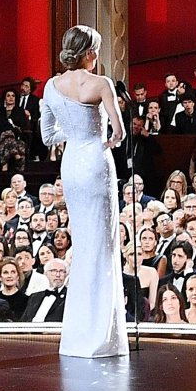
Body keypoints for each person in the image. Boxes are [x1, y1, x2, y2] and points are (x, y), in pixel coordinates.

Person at [41, 24, 128, 359]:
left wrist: (74, 134)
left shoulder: (51, 86)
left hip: (73, 164)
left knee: (84, 242)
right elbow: (118, 133)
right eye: (97, 49)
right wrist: (99, 138)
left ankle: (78, 337)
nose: (98, 55)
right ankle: (101, 336)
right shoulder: (101, 83)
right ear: (88, 52)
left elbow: (49, 136)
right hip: (95, 161)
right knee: (101, 245)